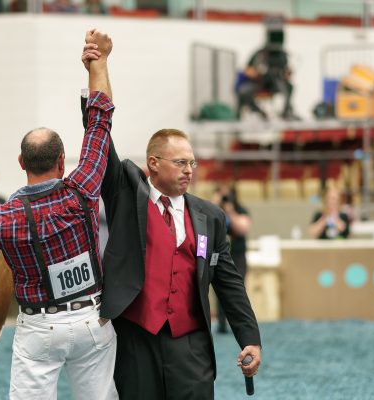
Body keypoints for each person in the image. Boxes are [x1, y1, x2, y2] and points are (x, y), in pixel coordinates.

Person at [83, 38, 261, 399]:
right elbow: (99, 136)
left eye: (192, 163)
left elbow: (229, 283)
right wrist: (98, 67)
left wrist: (250, 338)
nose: (189, 170)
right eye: (180, 162)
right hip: (135, 339)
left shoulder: (211, 216)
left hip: (191, 344)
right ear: (153, 164)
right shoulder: (123, 194)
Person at [0, 29, 118, 400]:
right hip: (91, 318)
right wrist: (99, 63)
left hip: (39, 326)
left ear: (21, 162)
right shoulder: (81, 189)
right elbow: (99, 122)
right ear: (61, 161)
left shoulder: (2, 217)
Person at [236, 16, 298, 121]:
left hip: (275, 84)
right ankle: (258, 112)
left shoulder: (281, 55)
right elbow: (247, 69)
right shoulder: (259, 53)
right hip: (259, 83)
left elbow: (285, 71)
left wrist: (287, 74)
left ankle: (286, 112)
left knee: (289, 87)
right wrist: (256, 73)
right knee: (243, 91)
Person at [211, 184, 252, 334]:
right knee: (218, 290)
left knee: (237, 290)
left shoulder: (241, 210)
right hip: (218, 255)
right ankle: (222, 324)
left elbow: (243, 229)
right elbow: (206, 224)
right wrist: (215, 205)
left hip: (237, 255)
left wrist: (230, 211)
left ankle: (240, 325)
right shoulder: (214, 210)